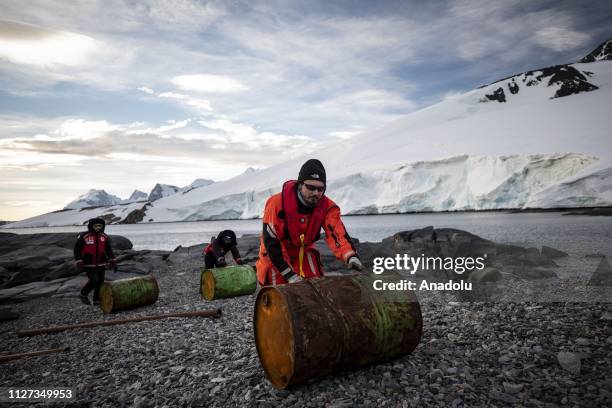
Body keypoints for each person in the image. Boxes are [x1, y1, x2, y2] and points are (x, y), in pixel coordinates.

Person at [256, 159, 364, 285]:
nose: (316, 193)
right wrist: (289, 274)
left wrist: (350, 256)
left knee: (316, 288)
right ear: (300, 184)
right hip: (276, 253)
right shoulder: (276, 204)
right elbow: (272, 241)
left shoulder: (327, 207)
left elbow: (336, 233)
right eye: (311, 188)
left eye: (320, 189)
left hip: (304, 251)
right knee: (280, 292)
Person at [74, 217, 117, 305]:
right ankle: (83, 293)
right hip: (88, 263)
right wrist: (78, 260)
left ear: (102, 226)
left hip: (101, 262)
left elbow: (108, 249)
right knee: (94, 280)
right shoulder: (84, 236)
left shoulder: (104, 236)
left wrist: (112, 260)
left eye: (100, 226)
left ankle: (96, 300)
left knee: (100, 281)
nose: (98, 228)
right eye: (95, 226)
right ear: (91, 226)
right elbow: (77, 249)